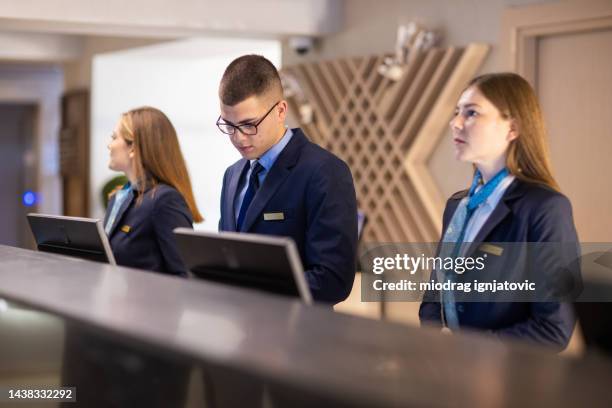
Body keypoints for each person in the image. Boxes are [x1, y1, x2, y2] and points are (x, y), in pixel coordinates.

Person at [419, 73, 579, 349]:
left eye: (471, 113)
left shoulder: (545, 208)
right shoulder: (457, 206)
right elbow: (434, 297)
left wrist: (471, 350)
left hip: (508, 380)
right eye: (457, 112)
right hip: (446, 373)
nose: (455, 123)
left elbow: (553, 328)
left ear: (512, 128)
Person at [217, 55, 357, 304]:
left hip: (299, 336)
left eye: (249, 125)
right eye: (229, 125)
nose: (238, 138)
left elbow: (333, 280)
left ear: (281, 110)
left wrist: (255, 292)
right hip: (240, 332)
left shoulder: (324, 172)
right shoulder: (232, 175)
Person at [105, 106, 203, 276]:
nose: (109, 145)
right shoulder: (118, 197)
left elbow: (185, 275)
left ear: (133, 148)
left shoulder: (164, 200)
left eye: (114, 137)